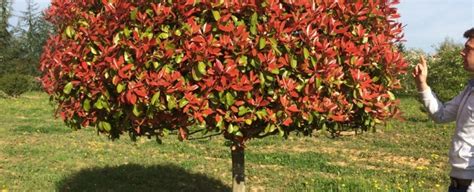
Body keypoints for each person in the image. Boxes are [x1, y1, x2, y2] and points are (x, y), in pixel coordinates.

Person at [413, 27, 474, 192]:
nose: (462, 52)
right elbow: (441, 115)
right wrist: (422, 84)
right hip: (457, 183)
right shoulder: (470, 90)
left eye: (468, 48)